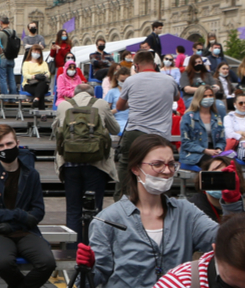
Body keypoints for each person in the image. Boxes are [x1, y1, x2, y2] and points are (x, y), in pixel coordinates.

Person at [83, 133, 217, 288]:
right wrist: (87, 267)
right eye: (157, 164)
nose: (166, 171)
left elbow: (227, 241)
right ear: (135, 168)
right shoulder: (108, 219)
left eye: (171, 164)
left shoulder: (185, 212)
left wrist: (231, 205)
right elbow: (93, 280)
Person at [0, 125, 55, 288]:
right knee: (4, 263)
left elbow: (38, 211)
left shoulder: (31, 174)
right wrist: (20, 215)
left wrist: (14, 223)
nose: (6, 149)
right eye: (0, 146)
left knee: (47, 263)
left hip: (25, 230)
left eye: (9, 144)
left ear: (17, 143)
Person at [54, 82, 120, 237]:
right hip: (96, 163)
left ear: (74, 94)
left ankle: (72, 250)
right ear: (93, 94)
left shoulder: (64, 105)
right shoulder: (101, 104)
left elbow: (56, 131)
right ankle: (93, 248)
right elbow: (115, 129)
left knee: (73, 208)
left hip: (70, 162)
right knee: (94, 209)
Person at [115, 50, 182, 197]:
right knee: (160, 168)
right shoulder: (169, 80)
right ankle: (160, 200)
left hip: (136, 132)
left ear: (136, 66)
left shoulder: (131, 81)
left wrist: (133, 103)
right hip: (160, 135)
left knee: (127, 164)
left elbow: (119, 106)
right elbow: (176, 97)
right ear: (155, 64)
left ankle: (122, 200)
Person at [179, 86, 227, 170]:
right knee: (215, 165)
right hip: (195, 153)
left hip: (214, 151)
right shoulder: (189, 117)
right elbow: (185, 142)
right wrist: (205, 150)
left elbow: (221, 139)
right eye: (205, 96)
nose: (208, 98)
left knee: (229, 164)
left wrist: (219, 148)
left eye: (210, 95)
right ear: (199, 98)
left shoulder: (217, 117)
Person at [102, 64, 131, 132]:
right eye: (122, 81)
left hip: (132, 122)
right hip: (117, 122)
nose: (124, 83)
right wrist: (118, 109)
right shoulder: (112, 92)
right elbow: (106, 112)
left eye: (126, 81)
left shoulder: (134, 92)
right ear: (117, 79)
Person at [0, 16, 19, 97]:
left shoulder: (0, 33)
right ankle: (13, 97)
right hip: (12, 58)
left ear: (1, 23)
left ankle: (5, 98)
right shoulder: (14, 32)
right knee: (11, 78)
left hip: (3, 57)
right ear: (9, 23)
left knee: (2, 79)